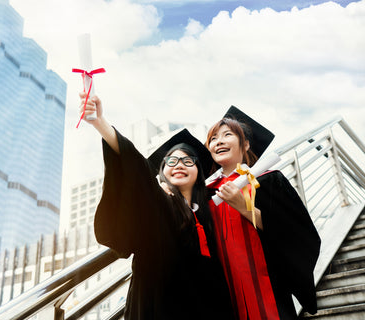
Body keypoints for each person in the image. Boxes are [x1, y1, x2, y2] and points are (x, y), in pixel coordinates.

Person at [79, 92, 235, 319]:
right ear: (162, 173)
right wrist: (100, 123)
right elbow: (136, 168)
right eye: (171, 161)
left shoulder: (211, 210)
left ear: (199, 172)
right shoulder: (159, 204)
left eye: (188, 160)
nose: (179, 164)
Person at [205, 106, 321, 319]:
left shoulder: (268, 181)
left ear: (246, 144)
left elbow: (295, 234)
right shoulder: (205, 194)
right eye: (213, 139)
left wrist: (243, 206)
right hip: (223, 295)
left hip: (268, 291)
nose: (218, 141)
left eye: (227, 135)